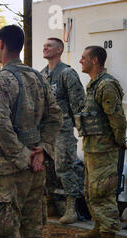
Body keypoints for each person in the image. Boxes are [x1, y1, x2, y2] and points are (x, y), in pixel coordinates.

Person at [0, 25, 62, 238]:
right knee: (33, 234)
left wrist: (22, 155)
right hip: (35, 171)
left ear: (1, 44)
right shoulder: (39, 78)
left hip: (7, 172)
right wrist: (41, 150)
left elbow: (0, 125)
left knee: (3, 237)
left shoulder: (1, 81)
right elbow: (56, 117)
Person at [75, 46, 127, 238]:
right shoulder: (94, 84)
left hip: (104, 150)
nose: (80, 61)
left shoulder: (106, 85)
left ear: (95, 60)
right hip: (92, 149)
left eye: (84, 58)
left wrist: (117, 142)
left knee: (102, 194)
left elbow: (117, 118)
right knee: (90, 190)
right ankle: (98, 227)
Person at [41, 37, 85, 224]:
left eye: (49, 46)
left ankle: (72, 208)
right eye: (44, 46)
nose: (45, 48)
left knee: (64, 168)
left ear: (59, 50)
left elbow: (79, 104)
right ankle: (51, 202)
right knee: (46, 168)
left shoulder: (67, 73)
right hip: (46, 132)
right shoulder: (42, 74)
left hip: (63, 130)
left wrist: (82, 130)